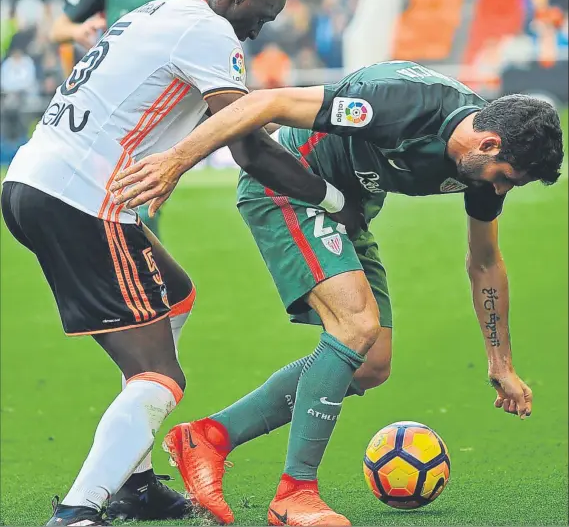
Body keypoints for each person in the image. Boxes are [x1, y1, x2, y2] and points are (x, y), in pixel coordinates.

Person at [110, 61, 564, 526]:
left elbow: (485, 261)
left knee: (370, 365)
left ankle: (208, 438)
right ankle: (295, 493)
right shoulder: (399, 105)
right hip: (288, 188)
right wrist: (176, 160)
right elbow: (267, 103)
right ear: (489, 143)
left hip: (346, 210)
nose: (501, 189)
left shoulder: (481, 166)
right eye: (505, 177)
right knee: (356, 325)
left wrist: (500, 362)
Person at [2, 0, 360, 527]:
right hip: (83, 200)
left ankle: (136, 485)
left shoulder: (154, 12)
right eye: (261, 16)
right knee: (160, 378)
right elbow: (249, 148)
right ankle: (79, 511)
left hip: (31, 180)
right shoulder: (210, 32)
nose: (258, 30)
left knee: (173, 295)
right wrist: (334, 200)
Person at [50, 0, 202, 240]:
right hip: (111, 111)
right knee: (113, 203)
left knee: (137, 205)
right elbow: (57, 28)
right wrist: (80, 30)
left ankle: (134, 279)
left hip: (161, 116)